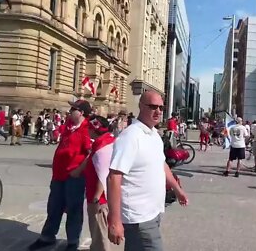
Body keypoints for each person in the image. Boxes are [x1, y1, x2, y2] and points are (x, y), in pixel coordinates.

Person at [107, 91, 188, 251]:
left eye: (160, 107)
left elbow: (161, 164)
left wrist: (178, 190)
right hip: (138, 216)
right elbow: (114, 177)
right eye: (152, 106)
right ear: (141, 106)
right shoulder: (130, 136)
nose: (157, 111)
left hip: (153, 212)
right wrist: (114, 219)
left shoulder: (154, 135)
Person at [29, 100, 92, 251]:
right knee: (54, 207)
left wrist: (78, 170)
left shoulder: (87, 129)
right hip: (59, 175)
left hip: (75, 177)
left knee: (74, 210)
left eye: (73, 109)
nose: (70, 112)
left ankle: (72, 242)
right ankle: (47, 237)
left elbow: (91, 154)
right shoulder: (69, 126)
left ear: (81, 112)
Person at [84, 115, 120, 251]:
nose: (87, 130)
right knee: (99, 232)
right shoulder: (108, 140)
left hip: (100, 199)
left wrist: (96, 197)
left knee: (100, 234)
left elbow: (103, 173)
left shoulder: (102, 147)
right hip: (103, 196)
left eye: (89, 128)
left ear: (94, 129)